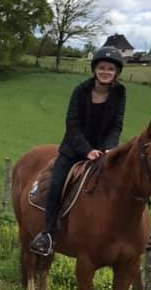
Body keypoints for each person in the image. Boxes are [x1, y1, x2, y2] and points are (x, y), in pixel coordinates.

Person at [29, 45, 127, 257]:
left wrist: (109, 147)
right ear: (94, 69)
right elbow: (72, 124)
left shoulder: (120, 92)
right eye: (101, 67)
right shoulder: (81, 91)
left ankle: (134, 233)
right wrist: (87, 150)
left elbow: (116, 124)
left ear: (116, 73)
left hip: (104, 151)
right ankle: (47, 234)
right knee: (56, 185)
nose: (105, 72)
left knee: (127, 181)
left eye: (110, 69)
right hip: (74, 149)